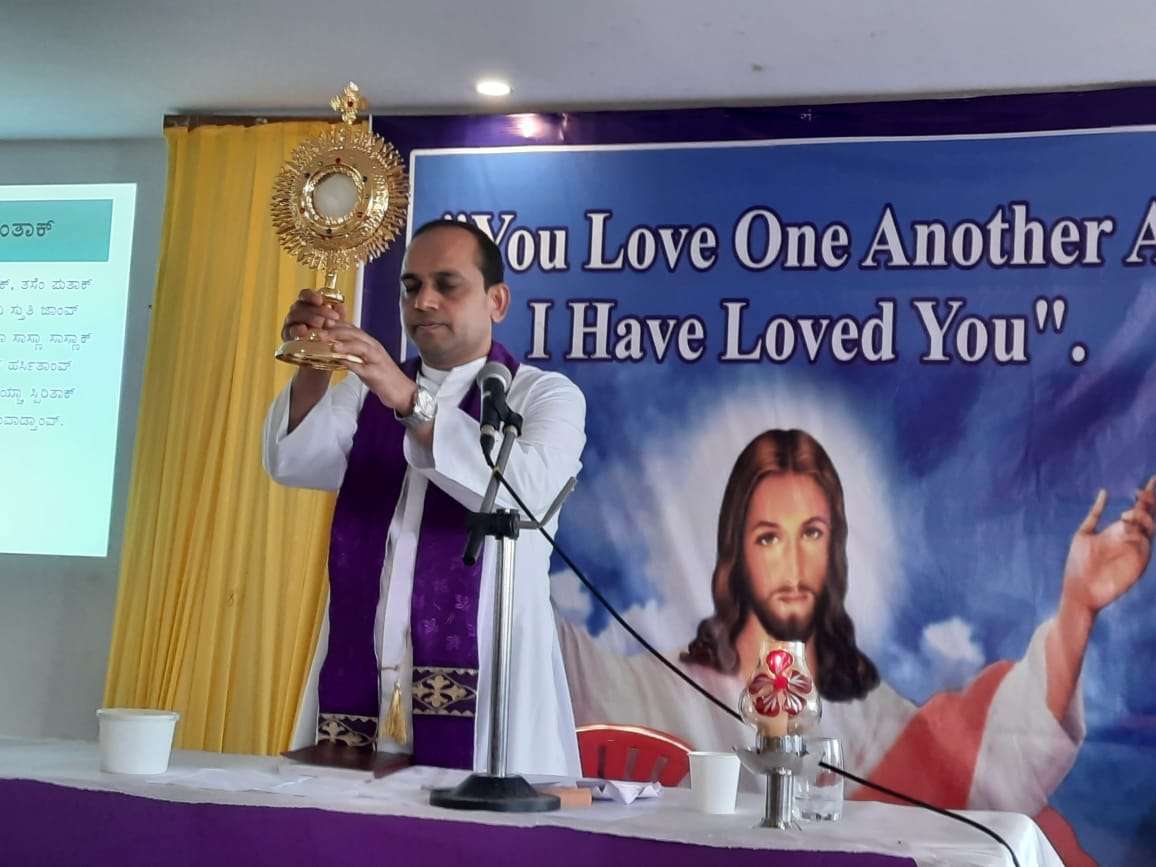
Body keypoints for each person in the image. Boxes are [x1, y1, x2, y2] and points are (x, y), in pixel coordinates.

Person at [558, 428, 1152, 864]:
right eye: (768, 538)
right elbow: (553, 654)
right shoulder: (655, 688)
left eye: (811, 533)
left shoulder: (874, 717)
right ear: (736, 551)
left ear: (835, 546)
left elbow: (989, 759)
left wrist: (1077, 606)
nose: (793, 562)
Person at [264, 218, 586, 776]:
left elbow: (525, 496)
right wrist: (316, 363)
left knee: (477, 825)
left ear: (497, 301)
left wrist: (409, 401)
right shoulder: (367, 393)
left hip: (491, 677)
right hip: (363, 675)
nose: (424, 301)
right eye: (411, 287)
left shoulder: (542, 395)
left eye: (447, 284)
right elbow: (294, 461)